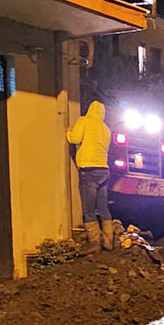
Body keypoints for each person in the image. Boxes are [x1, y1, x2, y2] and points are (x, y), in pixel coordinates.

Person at [66, 100, 113, 253]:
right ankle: (108, 241)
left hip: (88, 170)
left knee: (89, 209)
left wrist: (68, 131)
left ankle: (94, 243)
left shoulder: (84, 121)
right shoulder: (106, 129)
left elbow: (74, 139)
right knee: (103, 208)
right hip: (104, 171)